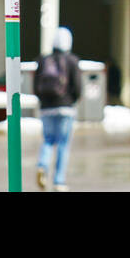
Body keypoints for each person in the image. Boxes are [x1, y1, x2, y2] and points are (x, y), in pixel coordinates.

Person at [35, 26, 81, 192]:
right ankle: (59, 181)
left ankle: (42, 165)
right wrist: (72, 100)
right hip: (66, 107)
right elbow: (77, 86)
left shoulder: (43, 60)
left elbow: (36, 86)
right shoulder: (72, 61)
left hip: (47, 107)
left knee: (47, 140)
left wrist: (44, 101)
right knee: (63, 143)